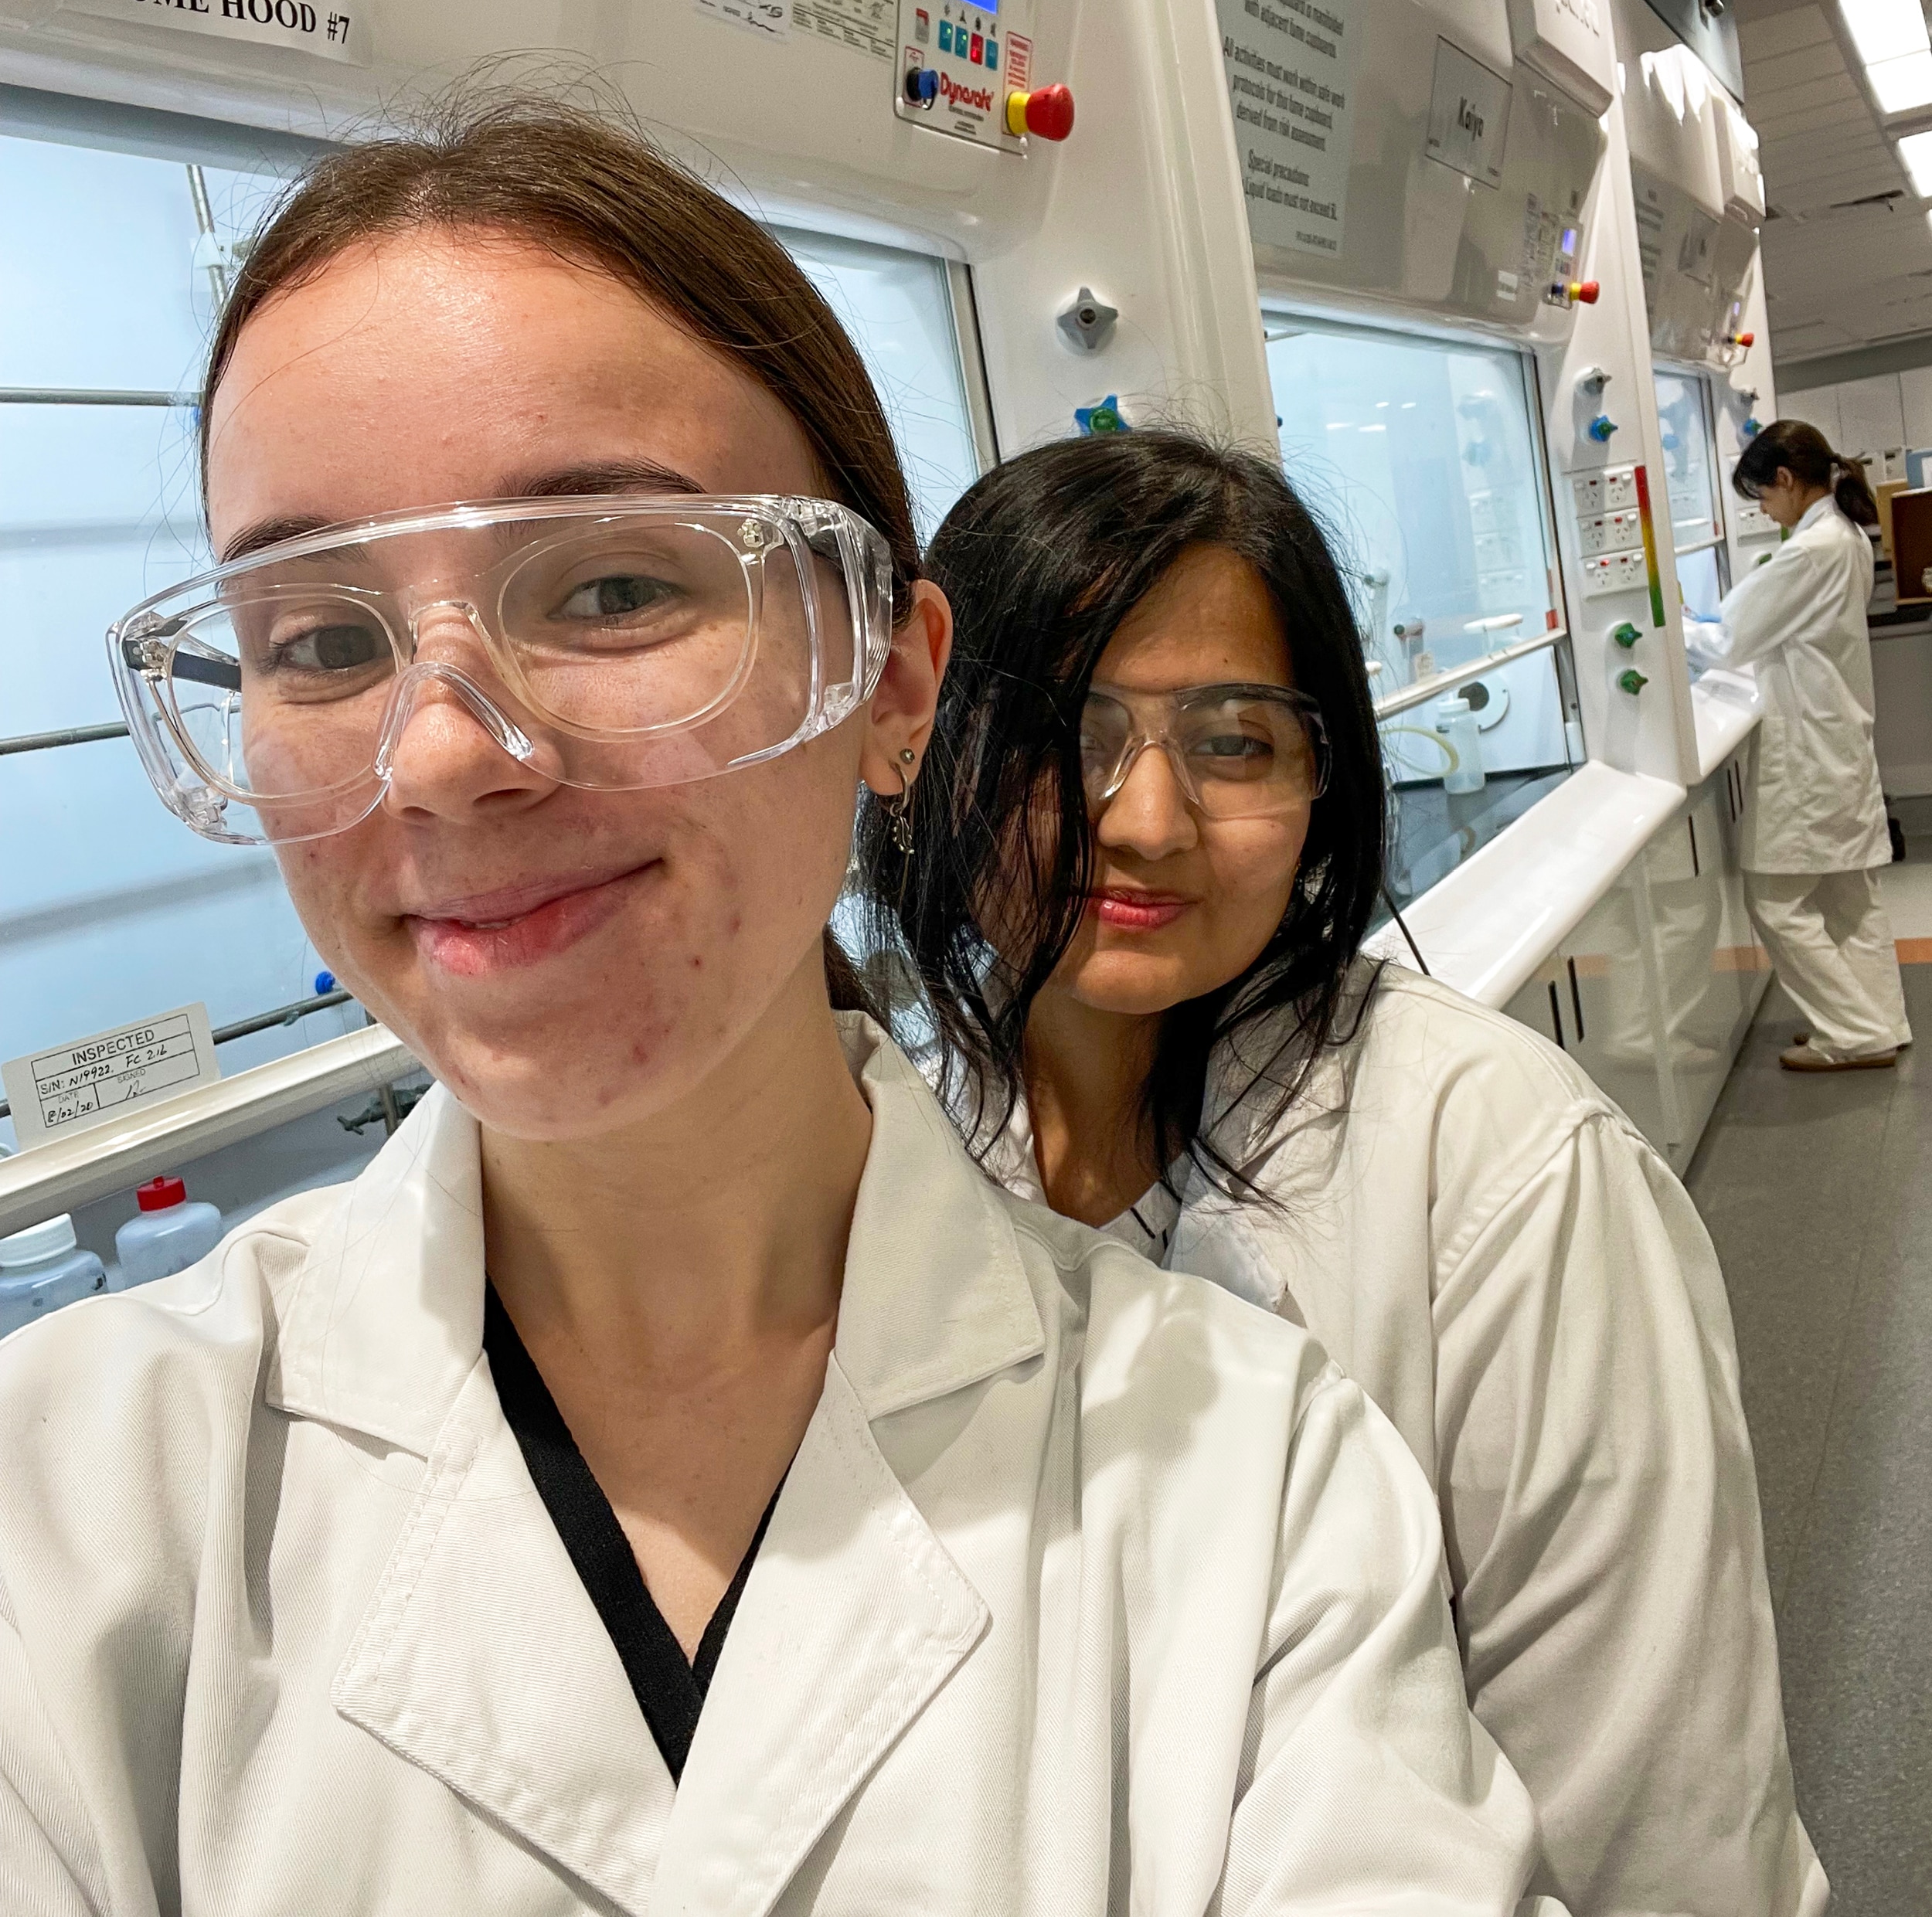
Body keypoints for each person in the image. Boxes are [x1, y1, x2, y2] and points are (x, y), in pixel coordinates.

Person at [0, 97, 1557, 1913]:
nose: (437, 753)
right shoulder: (70, 1499)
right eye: (322, 640)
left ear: (894, 684)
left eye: (608, 585)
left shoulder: (1260, 1480)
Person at [860, 429, 1825, 1916]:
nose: (1145, 818)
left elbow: (1663, 1829)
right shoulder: (898, 1175)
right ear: (926, 744)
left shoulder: (1497, 1165)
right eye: (1063, 729)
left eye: (1234, 740)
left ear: (1323, 783)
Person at [1693, 418, 1910, 1072]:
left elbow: (1728, 639)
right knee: (1851, 899)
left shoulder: (1810, 550)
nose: (1763, 509)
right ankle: (1876, 1021)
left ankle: (1851, 1033)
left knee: (1776, 899)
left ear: (1787, 479)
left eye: (1762, 495)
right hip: (1836, 738)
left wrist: (1665, 619)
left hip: (1811, 751)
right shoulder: (1840, 537)